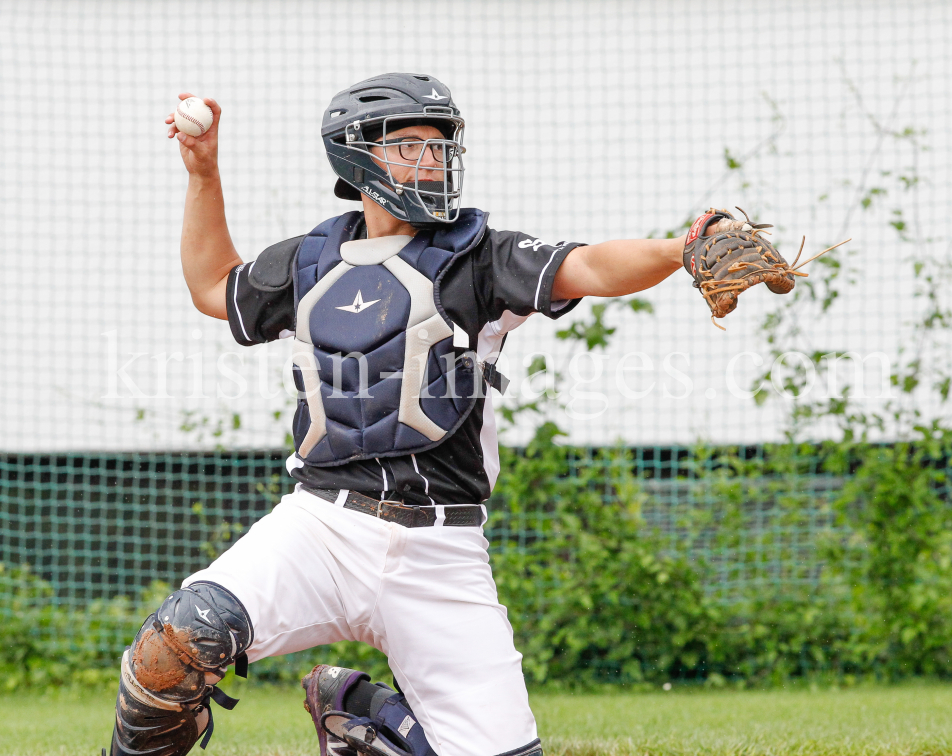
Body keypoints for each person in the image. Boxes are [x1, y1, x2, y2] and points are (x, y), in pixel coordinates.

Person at [105, 73, 733, 756]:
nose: (430, 161)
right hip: (319, 527)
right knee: (173, 646)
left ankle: (364, 716)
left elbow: (592, 266)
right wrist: (203, 171)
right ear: (356, 155)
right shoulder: (311, 260)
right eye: (408, 145)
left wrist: (681, 249)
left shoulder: (478, 256)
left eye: (439, 146)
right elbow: (211, 284)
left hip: (440, 551)